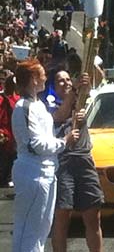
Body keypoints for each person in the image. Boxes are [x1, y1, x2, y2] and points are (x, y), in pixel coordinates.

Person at [11, 59, 79, 252]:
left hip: (47, 170)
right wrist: (64, 141)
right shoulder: (23, 107)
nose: (44, 79)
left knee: (41, 228)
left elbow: (52, 123)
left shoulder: (38, 104)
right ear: (33, 79)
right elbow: (35, 145)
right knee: (29, 229)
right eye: (41, 75)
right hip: (32, 172)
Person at [49, 70, 104, 252]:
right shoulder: (47, 103)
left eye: (67, 79)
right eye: (60, 81)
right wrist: (73, 95)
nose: (65, 83)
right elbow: (59, 116)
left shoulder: (80, 98)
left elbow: (99, 80)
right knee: (63, 215)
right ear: (54, 86)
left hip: (84, 160)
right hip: (63, 162)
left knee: (93, 216)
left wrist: (92, 65)